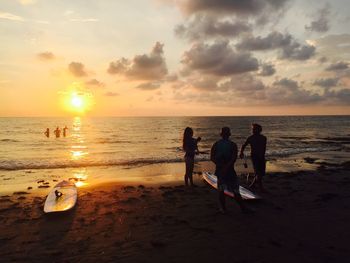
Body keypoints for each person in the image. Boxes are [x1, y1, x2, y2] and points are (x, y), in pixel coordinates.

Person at [210, 127, 249, 213]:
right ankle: (243, 208)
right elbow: (234, 158)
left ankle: (223, 209)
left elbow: (212, 158)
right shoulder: (233, 145)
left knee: (221, 190)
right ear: (229, 134)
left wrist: (220, 165)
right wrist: (227, 166)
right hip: (230, 171)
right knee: (235, 190)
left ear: (221, 134)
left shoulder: (216, 144)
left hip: (220, 171)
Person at [239, 123, 267, 191]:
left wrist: (262, 156)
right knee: (258, 172)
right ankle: (260, 187)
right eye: (253, 129)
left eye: (254, 129)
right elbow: (244, 145)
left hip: (261, 156)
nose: (253, 130)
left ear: (259, 130)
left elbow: (264, 148)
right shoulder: (250, 138)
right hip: (254, 157)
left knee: (261, 172)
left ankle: (253, 184)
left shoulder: (263, 138)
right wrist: (241, 152)